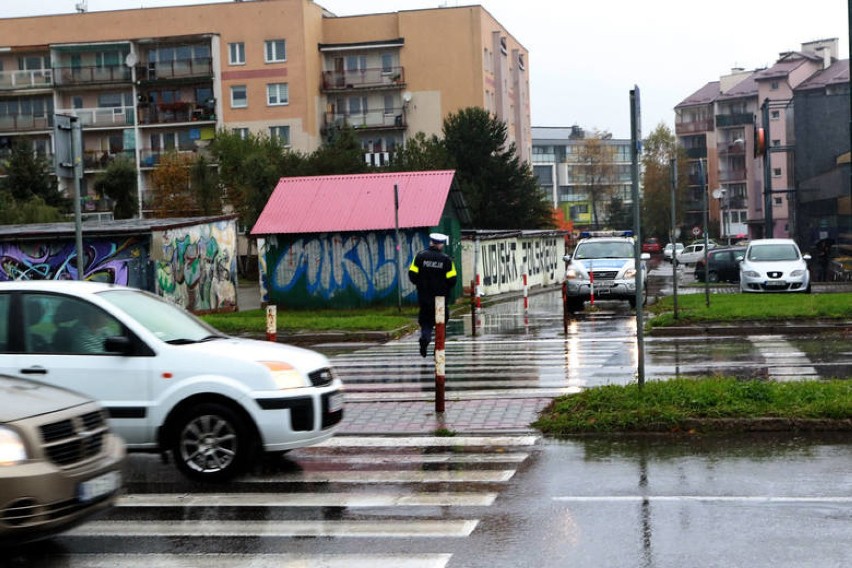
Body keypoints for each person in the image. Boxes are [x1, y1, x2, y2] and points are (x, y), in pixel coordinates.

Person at [408, 232, 457, 357]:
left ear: (430, 242)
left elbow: (412, 275)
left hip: (424, 297)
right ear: (440, 245)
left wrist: (421, 285)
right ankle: (439, 348)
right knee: (441, 322)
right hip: (441, 299)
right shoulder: (447, 260)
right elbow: (452, 280)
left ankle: (425, 338)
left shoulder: (419, 257)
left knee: (426, 321)